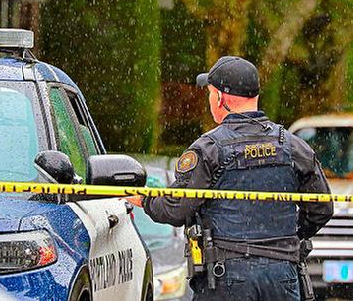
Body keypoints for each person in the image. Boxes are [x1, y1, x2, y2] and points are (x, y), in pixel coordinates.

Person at [127, 56, 333, 300]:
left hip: (228, 276)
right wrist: (288, 240)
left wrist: (146, 200)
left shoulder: (209, 148)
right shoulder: (293, 146)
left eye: (210, 94)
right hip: (282, 275)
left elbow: (176, 209)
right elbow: (322, 207)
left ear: (221, 98)